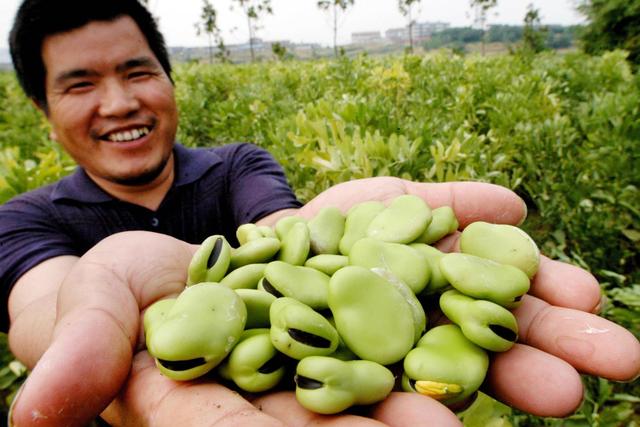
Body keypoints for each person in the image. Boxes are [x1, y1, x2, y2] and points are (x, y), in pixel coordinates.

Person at [2, 0, 638, 426]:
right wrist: (73, 330)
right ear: (43, 111)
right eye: (80, 83)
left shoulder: (239, 165)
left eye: (137, 72)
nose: (118, 103)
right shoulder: (21, 219)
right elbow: (41, 301)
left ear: (169, 80)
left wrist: (309, 248)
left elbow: (290, 231)